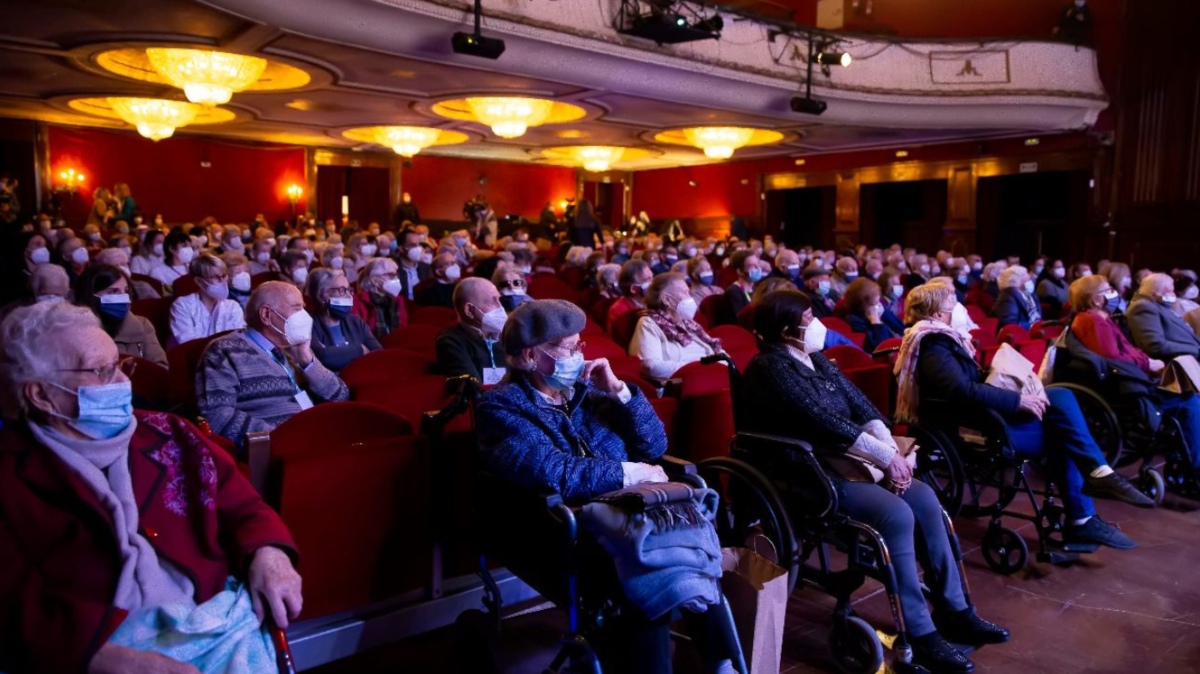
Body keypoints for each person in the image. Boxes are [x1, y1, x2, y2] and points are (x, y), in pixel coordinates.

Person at [0, 301, 304, 674]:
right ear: (41, 394)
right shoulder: (11, 474)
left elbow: (245, 507)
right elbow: (13, 603)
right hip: (100, 646)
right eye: (101, 371)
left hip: (212, 614)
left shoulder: (172, 433)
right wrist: (103, 659)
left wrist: (269, 554)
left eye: (120, 365)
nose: (123, 382)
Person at [899, 282, 1152, 542]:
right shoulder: (933, 345)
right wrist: (1016, 399)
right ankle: (1087, 504)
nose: (959, 306)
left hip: (983, 413)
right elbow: (961, 390)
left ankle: (1095, 482)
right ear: (939, 314)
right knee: (1064, 429)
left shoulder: (944, 339)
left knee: (1059, 396)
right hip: (975, 425)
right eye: (953, 302)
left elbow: (967, 383)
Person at [1069, 275, 1200, 473]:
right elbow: (1115, 359)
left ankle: (1190, 460)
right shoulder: (1093, 322)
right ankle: (1196, 468)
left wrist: (1148, 362)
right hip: (1125, 386)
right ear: (1095, 299)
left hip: (1132, 377)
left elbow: (1127, 350)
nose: (1113, 293)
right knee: (1189, 402)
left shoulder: (1099, 319)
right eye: (1107, 290)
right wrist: (1147, 362)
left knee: (1189, 396)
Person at [197, 281, 349, 449]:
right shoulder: (224, 351)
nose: (304, 316)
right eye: (297, 309)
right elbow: (217, 416)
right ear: (266, 315)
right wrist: (284, 438)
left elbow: (341, 396)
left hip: (316, 439)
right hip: (281, 451)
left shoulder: (293, 349)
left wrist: (307, 361)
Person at [629, 273, 724, 383]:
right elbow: (650, 366)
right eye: (684, 292)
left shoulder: (689, 324)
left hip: (710, 376)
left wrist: (724, 363)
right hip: (683, 383)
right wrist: (699, 369)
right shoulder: (648, 323)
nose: (690, 297)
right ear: (666, 299)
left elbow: (716, 350)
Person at [75, 264, 168, 367]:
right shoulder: (74, 332)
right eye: (113, 292)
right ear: (92, 295)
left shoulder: (142, 325)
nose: (123, 297)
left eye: (126, 291)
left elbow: (161, 366)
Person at [306, 268, 380, 372]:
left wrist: (340, 354)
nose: (349, 296)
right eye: (342, 290)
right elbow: (323, 357)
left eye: (349, 290)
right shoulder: (307, 324)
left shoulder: (355, 321)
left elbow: (378, 353)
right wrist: (360, 350)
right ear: (321, 295)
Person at [435, 277, 508, 384]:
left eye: (499, 300)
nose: (500, 307)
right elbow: (473, 390)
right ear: (469, 310)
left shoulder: (507, 336)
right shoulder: (450, 342)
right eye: (492, 302)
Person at [167, 254, 246, 348]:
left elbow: (238, 341)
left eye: (224, 276)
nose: (222, 281)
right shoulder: (182, 305)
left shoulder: (233, 306)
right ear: (199, 281)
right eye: (216, 277)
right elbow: (188, 344)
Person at [1126, 273, 1200, 360]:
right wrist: (1195, 350)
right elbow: (1155, 346)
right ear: (1154, 294)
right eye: (1170, 291)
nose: (1174, 295)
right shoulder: (1143, 307)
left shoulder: (1157, 305)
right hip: (1176, 363)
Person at [352, 257, 408, 341]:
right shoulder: (358, 302)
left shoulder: (398, 300)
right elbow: (359, 334)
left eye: (396, 275)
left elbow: (403, 329)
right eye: (391, 275)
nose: (396, 279)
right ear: (374, 280)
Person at [844, 278, 903, 352]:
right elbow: (880, 346)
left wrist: (884, 314)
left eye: (878, 301)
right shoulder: (854, 320)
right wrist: (876, 321)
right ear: (863, 303)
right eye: (875, 303)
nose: (878, 305)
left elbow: (901, 328)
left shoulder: (881, 310)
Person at [606, 259, 653, 333]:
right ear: (633, 289)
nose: (652, 283)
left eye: (652, 278)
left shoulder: (653, 303)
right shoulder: (618, 310)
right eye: (647, 280)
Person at [994, 265, 1041, 331]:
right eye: (1027, 280)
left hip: (1037, 331)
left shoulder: (1030, 294)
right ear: (1016, 282)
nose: (1030, 282)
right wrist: (1033, 326)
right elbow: (1010, 323)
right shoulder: (1007, 296)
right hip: (1022, 335)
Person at [397, 227, 433, 300]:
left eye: (419, 244)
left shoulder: (426, 268)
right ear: (401, 249)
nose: (418, 248)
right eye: (413, 245)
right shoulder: (393, 269)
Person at [724, 250, 762, 317]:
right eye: (752, 266)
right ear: (740, 272)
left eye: (758, 264)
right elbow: (741, 320)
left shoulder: (755, 289)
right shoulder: (734, 292)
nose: (758, 268)